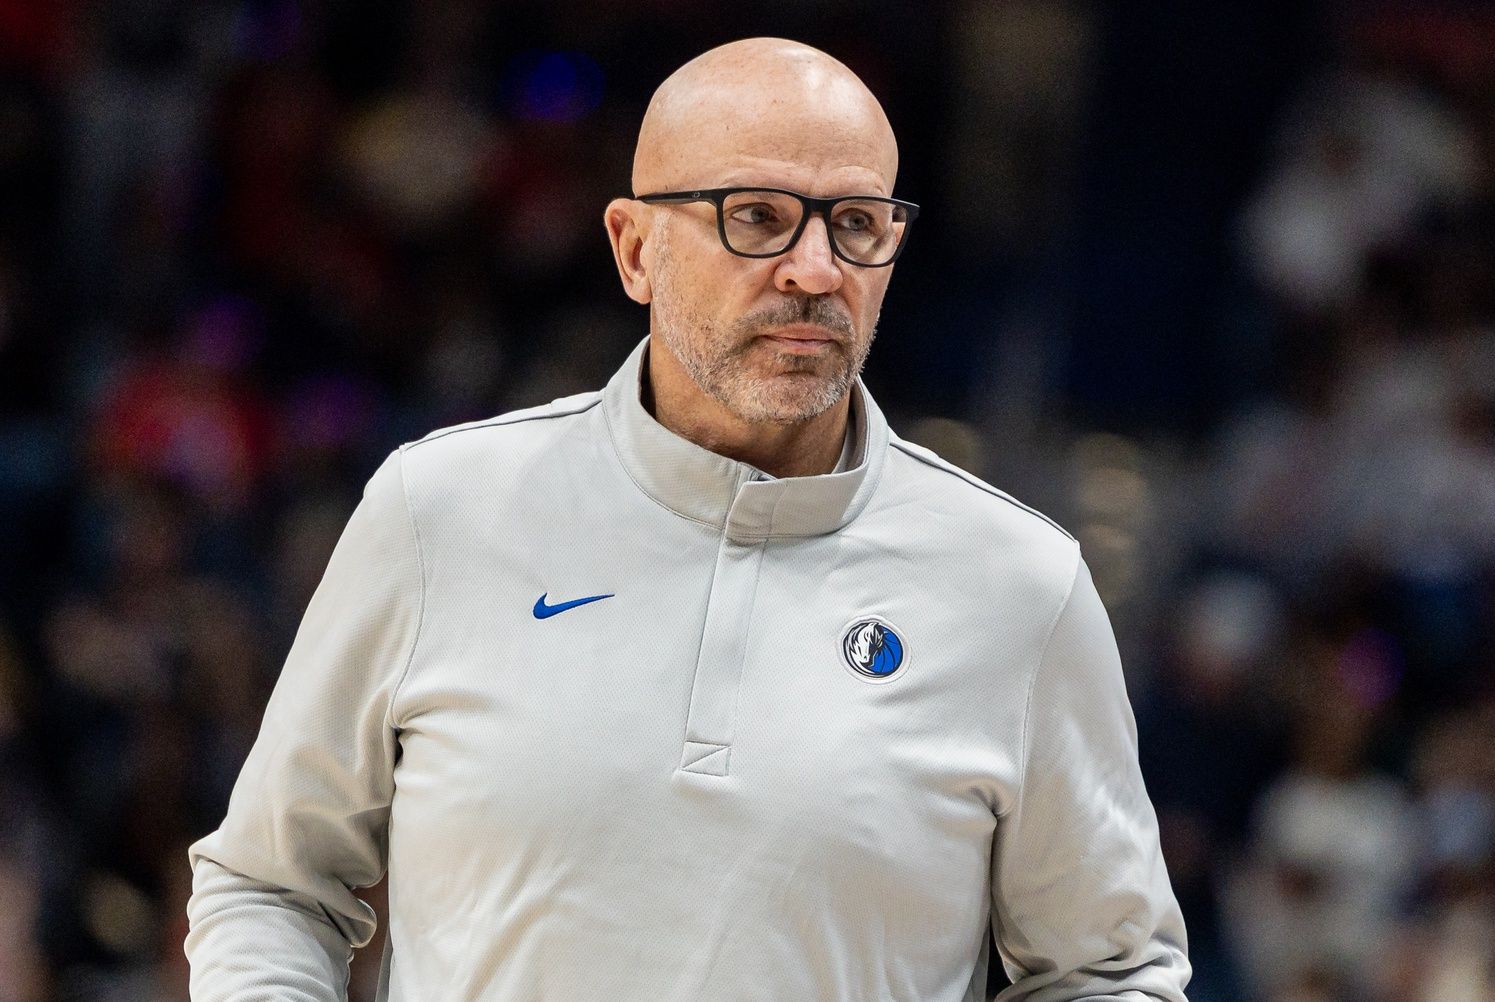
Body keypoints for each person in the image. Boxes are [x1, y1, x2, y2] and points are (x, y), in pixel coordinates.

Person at [185, 37, 1191, 1002]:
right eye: (756, 216)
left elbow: (1108, 975)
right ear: (634, 248)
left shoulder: (1019, 585)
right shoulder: (440, 511)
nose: (813, 269)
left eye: (856, 223)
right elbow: (273, 883)